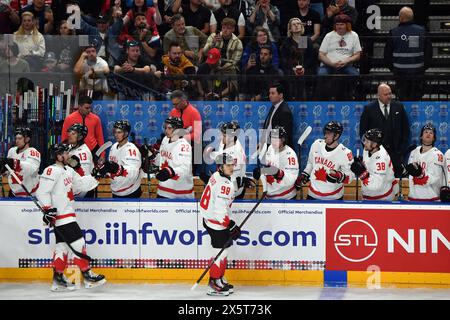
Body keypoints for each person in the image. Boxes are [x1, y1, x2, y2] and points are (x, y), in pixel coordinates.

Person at [36, 143, 104, 291]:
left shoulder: (68, 170)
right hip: (62, 216)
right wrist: (48, 209)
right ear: (58, 156)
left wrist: (94, 176)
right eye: (65, 153)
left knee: (62, 247)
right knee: (79, 243)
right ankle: (88, 276)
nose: (68, 156)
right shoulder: (51, 170)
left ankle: (58, 279)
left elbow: (80, 185)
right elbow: (42, 192)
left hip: (67, 214)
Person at [199, 152, 240, 296]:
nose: (231, 167)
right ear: (220, 167)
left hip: (209, 219)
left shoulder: (217, 176)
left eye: (232, 164)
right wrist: (231, 224)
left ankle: (219, 278)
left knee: (224, 250)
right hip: (216, 222)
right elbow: (220, 209)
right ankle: (213, 281)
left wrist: (240, 183)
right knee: (220, 252)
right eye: (227, 165)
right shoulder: (224, 184)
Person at [359, 83, 410, 178]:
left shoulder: (399, 107)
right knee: (377, 179)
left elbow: (405, 130)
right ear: (378, 95)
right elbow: (363, 132)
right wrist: (370, 150)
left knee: (396, 182)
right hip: (376, 154)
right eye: (386, 94)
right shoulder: (369, 109)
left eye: (390, 93)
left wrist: (401, 150)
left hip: (396, 154)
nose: (389, 96)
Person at [384, 6, 432, 100]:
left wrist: (394, 69)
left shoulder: (394, 32)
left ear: (401, 18)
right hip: (418, 72)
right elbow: (429, 53)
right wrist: (423, 67)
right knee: (416, 99)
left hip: (400, 73)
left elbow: (387, 55)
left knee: (403, 99)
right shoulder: (422, 31)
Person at [297, 121, 354, 200]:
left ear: (336, 136)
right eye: (325, 132)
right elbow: (310, 163)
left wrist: (339, 176)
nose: (325, 136)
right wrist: (305, 174)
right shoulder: (316, 144)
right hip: (313, 195)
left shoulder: (345, 153)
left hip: (334, 198)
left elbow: (350, 177)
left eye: (329, 133)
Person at [95, 120, 143, 198]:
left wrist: (117, 169)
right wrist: (104, 170)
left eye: (119, 132)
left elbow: (133, 173)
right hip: (116, 191)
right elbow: (112, 169)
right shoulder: (114, 147)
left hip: (130, 192)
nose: (116, 135)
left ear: (126, 133)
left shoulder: (131, 149)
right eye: (115, 132)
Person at [204, 121, 250, 199]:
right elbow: (222, 154)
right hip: (227, 184)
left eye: (224, 135)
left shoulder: (235, 154)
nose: (221, 137)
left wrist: (212, 179)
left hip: (233, 190)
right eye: (222, 134)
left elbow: (231, 178)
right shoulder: (230, 142)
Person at [350, 128, 398, 201]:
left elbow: (376, 186)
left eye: (367, 141)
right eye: (364, 139)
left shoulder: (381, 160)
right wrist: (361, 162)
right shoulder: (370, 148)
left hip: (382, 198)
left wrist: (362, 173)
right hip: (369, 195)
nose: (364, 143)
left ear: (375, 144)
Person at [253, 126, 299, 200]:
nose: (273, 141)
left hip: (286, 197)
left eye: (276, 139)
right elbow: (270, 169)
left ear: (283, 139)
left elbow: (291, 179)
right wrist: (261, 171)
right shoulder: (270, 148)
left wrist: (279, 173)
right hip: (269, 197)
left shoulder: (290, 155)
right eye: (272, 138)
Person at [154, 117, 194, 199]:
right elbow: (160, 159)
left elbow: (185, 169)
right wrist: (151, 156)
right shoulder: (165, 140)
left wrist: (169, 172)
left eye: (169, 128)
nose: (166, 130)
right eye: (165, 127)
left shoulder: (184, 146)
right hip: (163, 190)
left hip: (180, 194)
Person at [279, 17, 317, 99]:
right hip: (290, 68)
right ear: (290, 29)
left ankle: (305, 101)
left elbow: (310, 58)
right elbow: (284, 59)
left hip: (305, 68)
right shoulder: (287, 42)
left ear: (302, 27)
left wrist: (304, 67)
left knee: (304, 77)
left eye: (298, 24)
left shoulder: (305, 40)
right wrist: (292, 69)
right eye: (294, 24)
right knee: (289, 77)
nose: (296, 26)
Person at [405, 124, 445, 202]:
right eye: (426, 132)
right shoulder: (414, 152)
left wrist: (420, 174)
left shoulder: (438, 155)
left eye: (431, 133)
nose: (428, 134)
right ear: (421, 136)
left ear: (434, 138)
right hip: (412, 197)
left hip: (431, 199)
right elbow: (410, 174)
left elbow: (434, 178)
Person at [61, 95, 105, 161]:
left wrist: (102, 155)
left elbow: (100, 137)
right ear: (79, 106)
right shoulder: (69, 119)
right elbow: (64, 137)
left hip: (93, 150)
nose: (89, 110)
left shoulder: (96, 119)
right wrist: (63, 153)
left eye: (90, 108)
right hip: (75, 151)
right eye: (86, 108)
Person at [0, 127, 40, 197]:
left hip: (30, 192)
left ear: (27, 139)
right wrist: (4, 171)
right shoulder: (12, 151)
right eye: (16, 138)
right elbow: (10, 172)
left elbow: (32, 169)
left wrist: (14, 163)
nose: (17, 141)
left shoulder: (33, 152)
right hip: (14, 191)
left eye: (20, 138)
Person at [66, 123, 96, 198]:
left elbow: (84, 178)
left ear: (80, 137)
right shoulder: (70, 147)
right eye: (70, 132)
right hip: (76, 189)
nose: (70, 135)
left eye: (73, 133)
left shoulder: (84, 153)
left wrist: (78, 196)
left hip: (84, 193)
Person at [262, 83, 293, 148]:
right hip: (269, 146)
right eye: (269, 93)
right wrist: (262, 142)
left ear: (280, 95)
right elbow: (268, 126)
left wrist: (274, 149)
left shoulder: (284, 111)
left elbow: (283, 134)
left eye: (273, 93)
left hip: (278, 149)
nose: (270, 95)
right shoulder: (273, 107)